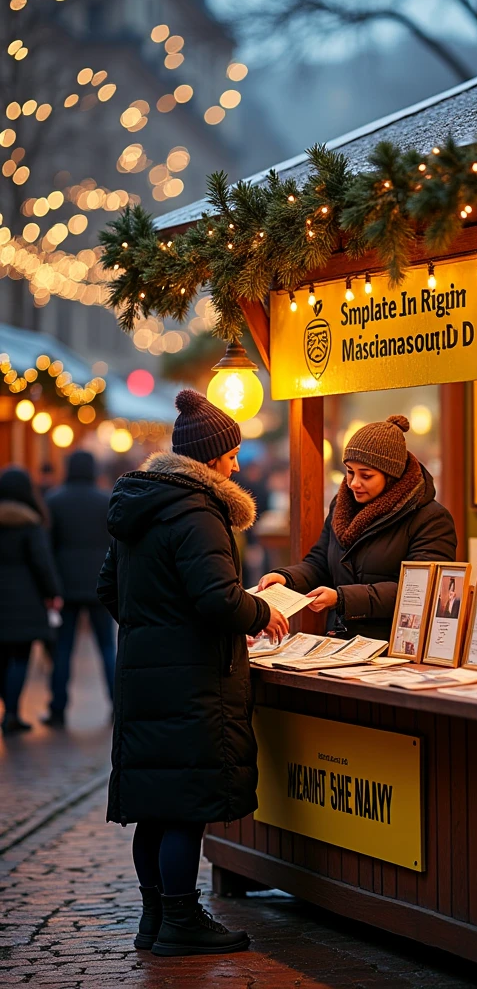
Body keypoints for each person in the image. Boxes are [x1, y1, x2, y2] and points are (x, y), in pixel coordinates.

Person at [97, 390, 288, 957]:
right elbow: (215, 600)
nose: (236, 462)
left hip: (144, 673)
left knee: (154, 806)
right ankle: (180, 920)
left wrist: (155, 627)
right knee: (184, 802)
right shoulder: (197, 510)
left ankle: (154, 918)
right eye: (230, 453)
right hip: (192, 679)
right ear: (209, 458)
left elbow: (110, 589)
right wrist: (262, 611)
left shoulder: (141, 504)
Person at [259, 415, 457, 641]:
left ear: (392, 475)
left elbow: (419, 590)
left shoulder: (431, 519)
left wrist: (342, 599)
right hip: (340, 641)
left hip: (393, 645)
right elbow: (319, 562)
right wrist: (285, 579)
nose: (354, 483)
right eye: (350, 472)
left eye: (366, 475)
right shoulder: (342, 506)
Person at [44, 451, 114, 727]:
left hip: (66, 585)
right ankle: (116, 704)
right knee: (107, 647)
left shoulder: (54, 500)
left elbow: (48, 546)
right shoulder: (105, 500)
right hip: (100, 583)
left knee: (62, 649)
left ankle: (57, 708)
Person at [0, 467, 61, 735]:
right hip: (26, 600)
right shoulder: (31, 523)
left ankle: (8, 710)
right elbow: (42, 564)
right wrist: (53, 593)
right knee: (21, 658)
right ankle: (12, 713)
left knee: (1, 658)